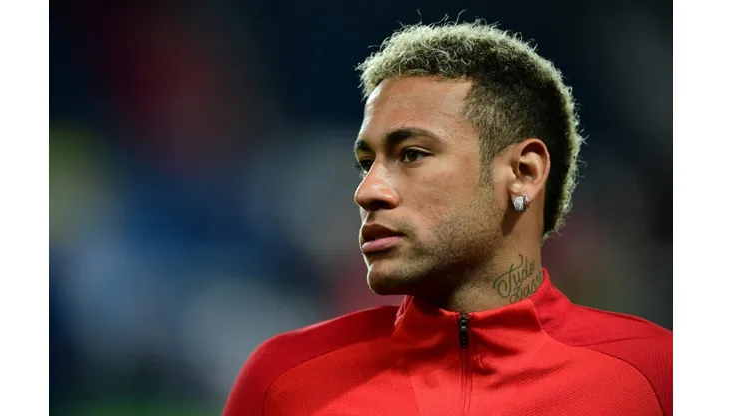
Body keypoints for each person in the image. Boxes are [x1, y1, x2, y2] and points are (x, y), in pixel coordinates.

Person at [223, 21, 672, 416]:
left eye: (412, 154)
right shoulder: (285, 382)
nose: (367, 191)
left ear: (523, 173)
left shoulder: (659, 378)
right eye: (367, 163)